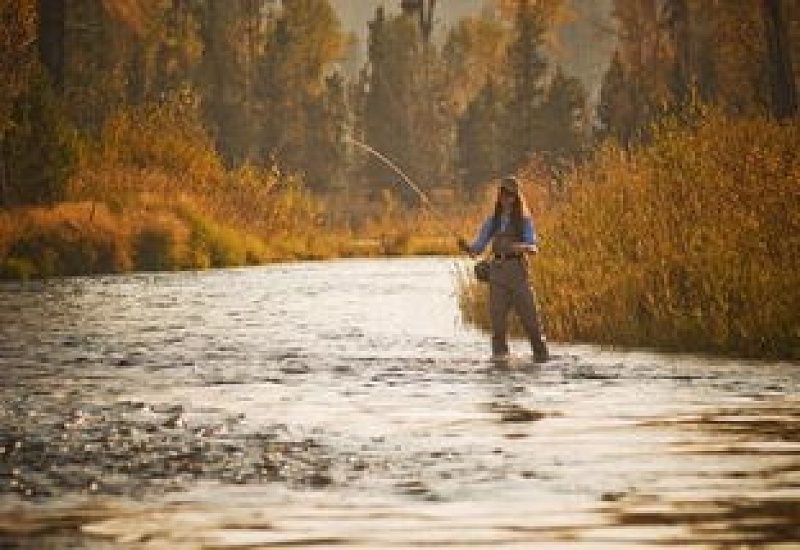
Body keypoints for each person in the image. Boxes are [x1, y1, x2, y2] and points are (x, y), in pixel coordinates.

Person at [458, 176, 550, 363]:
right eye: (503, 193)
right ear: (499, 196)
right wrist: (468, 248)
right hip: (497, 275)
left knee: (532, 324)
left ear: (516, 197)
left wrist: (522, 247)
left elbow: (533, 246)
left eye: (510, 194)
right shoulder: (492, 222)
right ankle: (500, 362)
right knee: (498, 327)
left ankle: (541, 359)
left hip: (518, 274)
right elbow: (478, 248)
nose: (506, 197)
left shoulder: (524, 222)